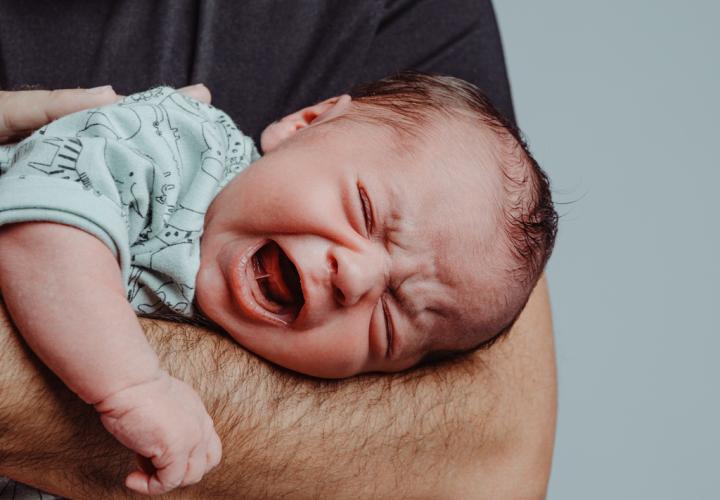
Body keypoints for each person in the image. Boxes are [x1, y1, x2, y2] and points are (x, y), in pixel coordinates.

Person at [0, 1, 557, 498]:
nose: (355, 278)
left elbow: (497, 468)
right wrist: (132, 386)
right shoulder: (179, 146)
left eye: (388, 321)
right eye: (364, 210)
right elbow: (41, 233)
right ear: (302, 125)